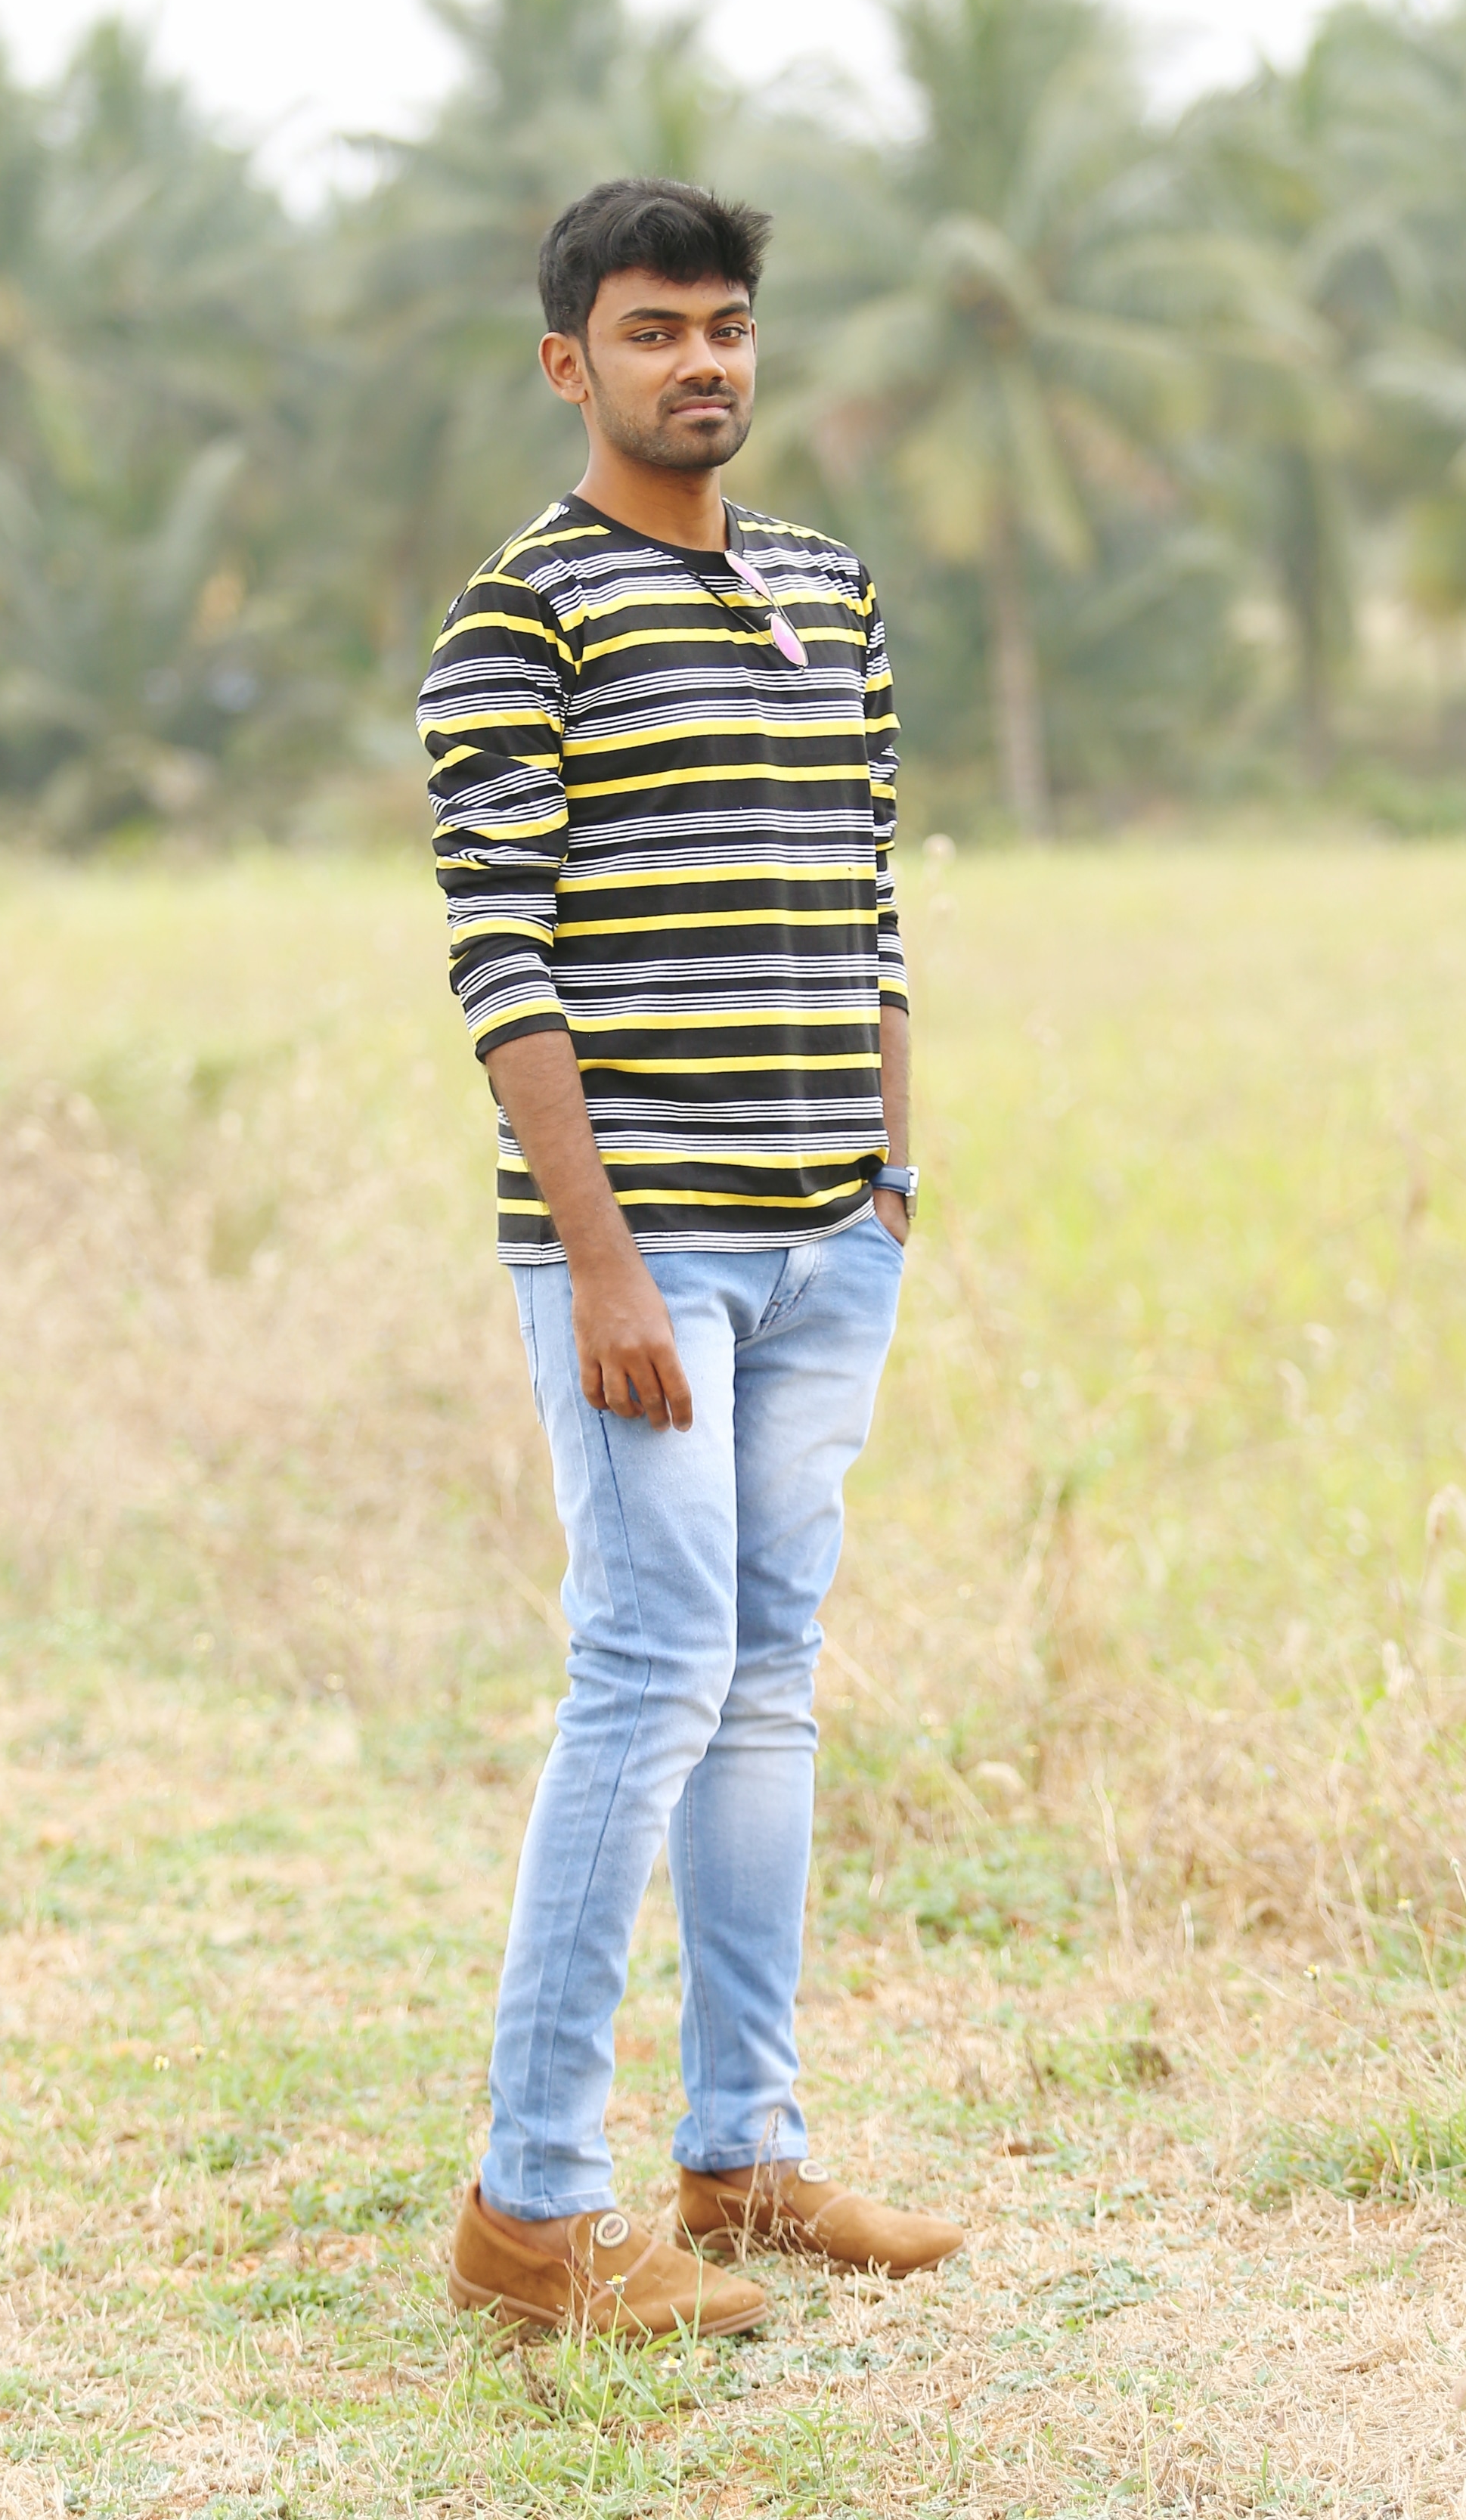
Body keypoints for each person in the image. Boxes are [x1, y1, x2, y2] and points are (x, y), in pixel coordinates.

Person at [422, 176, 962, 2340]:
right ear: (573, 363)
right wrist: (607, 1264)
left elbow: (872, 900)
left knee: (764, 1683)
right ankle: (531, 2212)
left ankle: (742, 2156)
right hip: (644, 1258)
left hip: (831, 1246)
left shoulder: (830, 586)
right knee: (648, 1675)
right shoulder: (518, 617)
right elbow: (500, 964)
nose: (701, 362)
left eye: (725, 324)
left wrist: (890, 1184)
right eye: (653, 331)